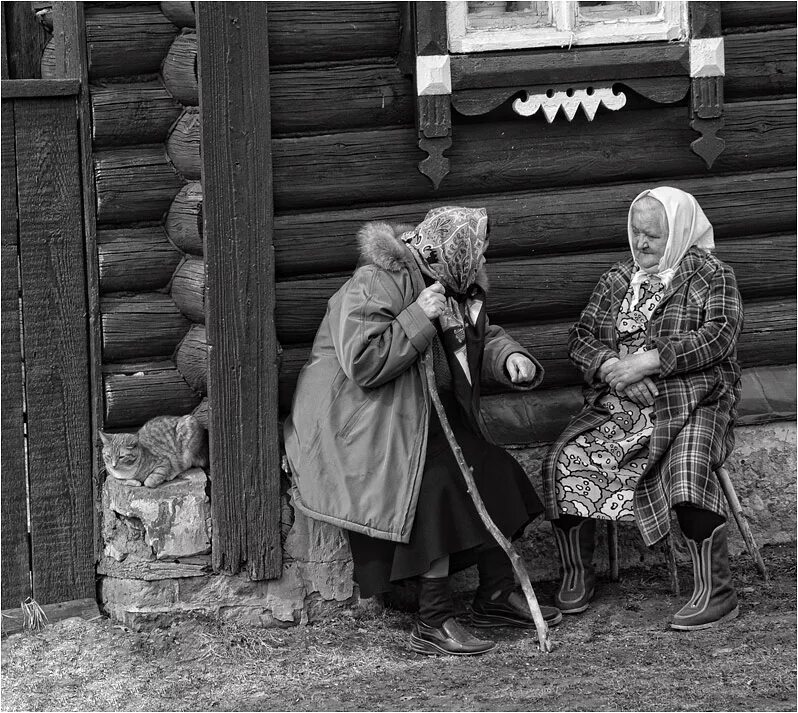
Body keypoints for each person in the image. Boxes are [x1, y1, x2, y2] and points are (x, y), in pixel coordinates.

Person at [285, 206, 561, 656]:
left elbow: (478, 336)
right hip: (361, 424)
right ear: (453, 251)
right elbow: (363, 363)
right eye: (481, 254)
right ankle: (434, 619)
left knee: (492, 468)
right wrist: (416, 314)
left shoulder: (452, 283)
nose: (484, 262)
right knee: (434, 487)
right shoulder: (377, 280)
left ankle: (494, 592)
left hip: (418, 415)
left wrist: (509, 356)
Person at [543, 186, 743, 631]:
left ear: (677, 231)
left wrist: (649, 361)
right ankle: (578, 572)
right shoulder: (618, 279)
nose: (641, 243)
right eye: (635, 232)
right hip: (622, 403)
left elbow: (719, 337)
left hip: (694, 402)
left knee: (688, 467)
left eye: (651, 234)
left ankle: (717, 590)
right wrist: (613, 366)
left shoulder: (711, 275)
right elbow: (580, 338)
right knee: (563, 457)